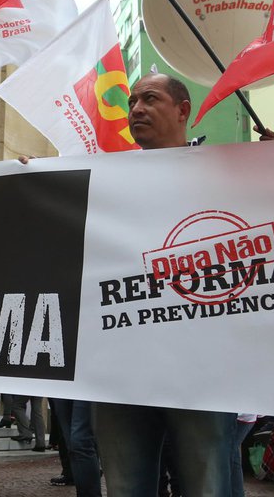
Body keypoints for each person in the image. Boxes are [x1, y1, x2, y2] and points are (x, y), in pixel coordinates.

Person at [91, 74, 235, 497]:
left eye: (149, 99)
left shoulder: (227, 176)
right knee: (124, 487)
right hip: (119, 368)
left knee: (206, 485)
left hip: (201, 369)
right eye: (132, 101)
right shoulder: (101, 179)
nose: (135, 108)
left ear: (183, 109)